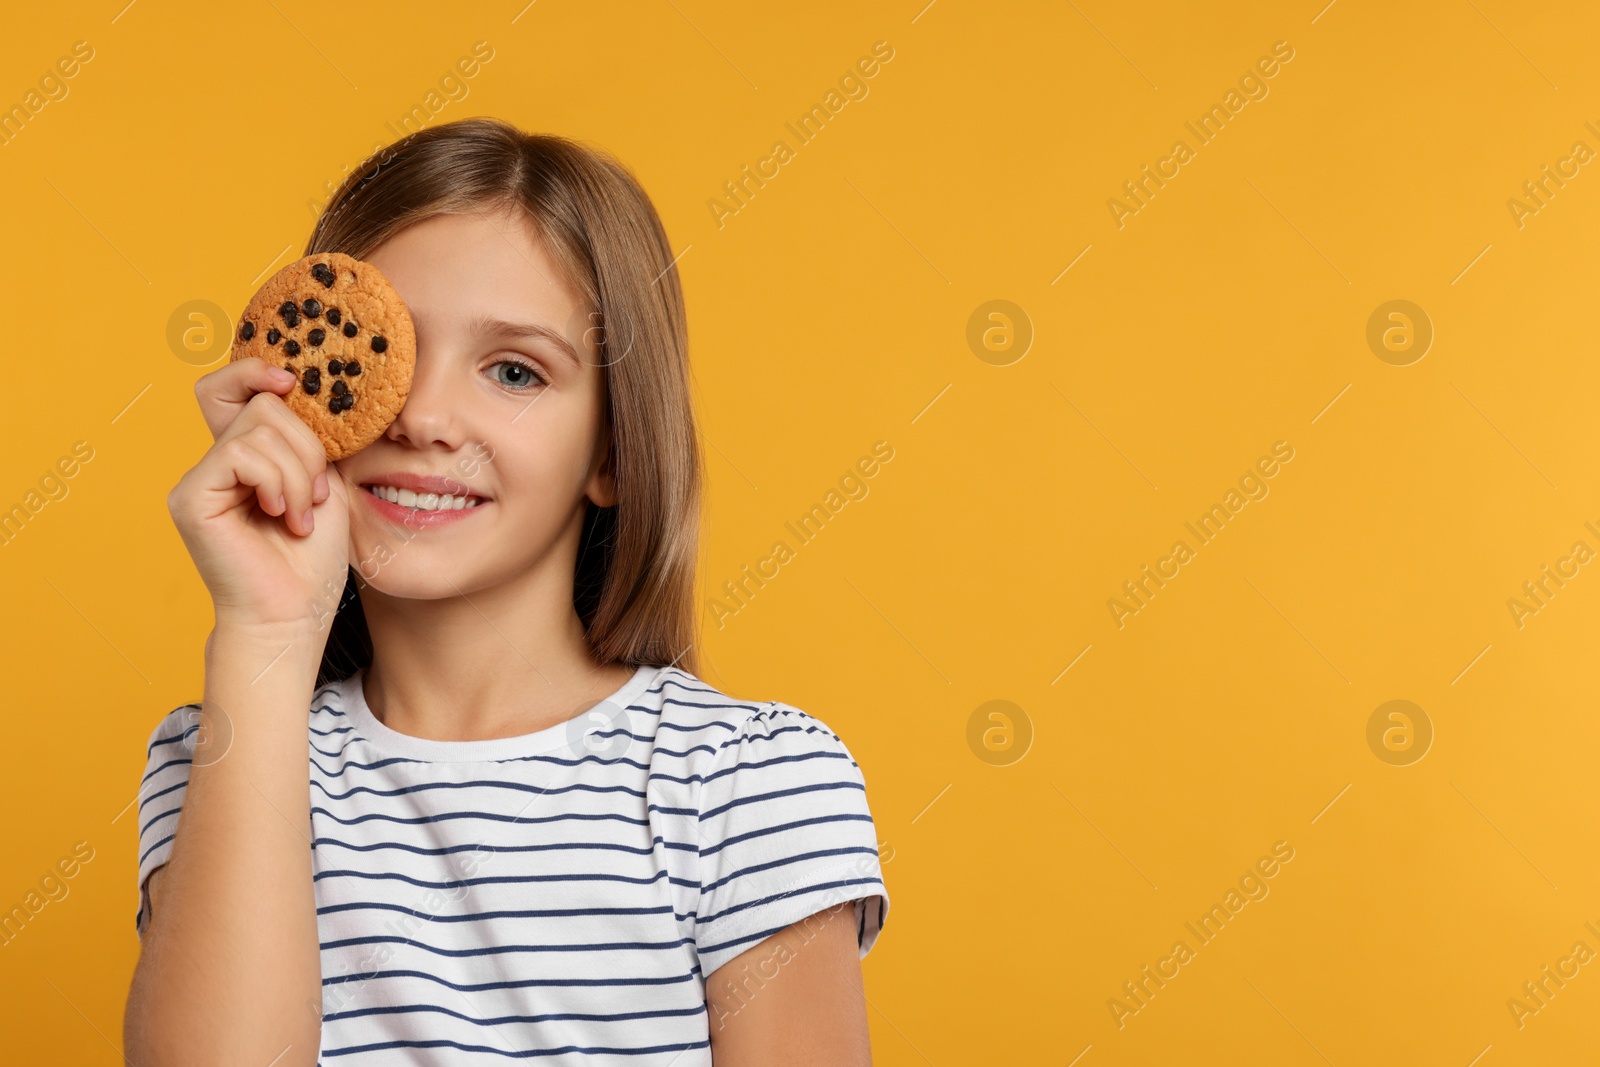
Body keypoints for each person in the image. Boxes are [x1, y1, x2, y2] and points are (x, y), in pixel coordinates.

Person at [123, 117, 889, 1066]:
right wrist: (265, 629)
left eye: (515, 370)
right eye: (385, 353)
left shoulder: (741, 782)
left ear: (611, 449)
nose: (428, 416)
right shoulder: (223, 757)